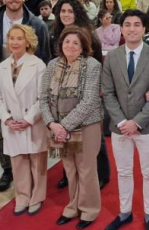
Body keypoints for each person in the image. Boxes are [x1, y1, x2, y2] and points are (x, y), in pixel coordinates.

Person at [102, 10, 149, 230]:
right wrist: (122, 122)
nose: (131, 29)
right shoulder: (112, 57)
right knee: (124, 171)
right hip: (119, 127)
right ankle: (125, 212)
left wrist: (136, 122)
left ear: (144, 28)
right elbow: (108, 93)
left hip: (146, 126)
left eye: (136, 24)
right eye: (127, 24)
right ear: (121, 29)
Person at [39, 27, 104, 228]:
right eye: (67, 42)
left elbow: (89, 101)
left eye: (76, 43)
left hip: (86, 125)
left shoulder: (91, 65)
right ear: (61, 44)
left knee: (86, 170)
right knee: (69, 169)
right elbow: (42, 98)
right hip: (57, 126)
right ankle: (73, 206)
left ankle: (89, 210)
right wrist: (51, 123)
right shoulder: (52, 65)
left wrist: (63, 126)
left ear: (83, 45)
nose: (71, 46)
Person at [0, 24, 49, 217]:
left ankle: (37, 197)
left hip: (32, 122)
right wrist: (6, 119)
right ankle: (22, 196)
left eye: (19, 38)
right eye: (11, 38)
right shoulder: (2, 66)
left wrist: (28, 119)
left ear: (28, 42)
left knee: (37, 162)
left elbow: (43, 97)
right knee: (18, 163)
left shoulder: (38, 64)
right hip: (12, 124)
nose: (14, 42)